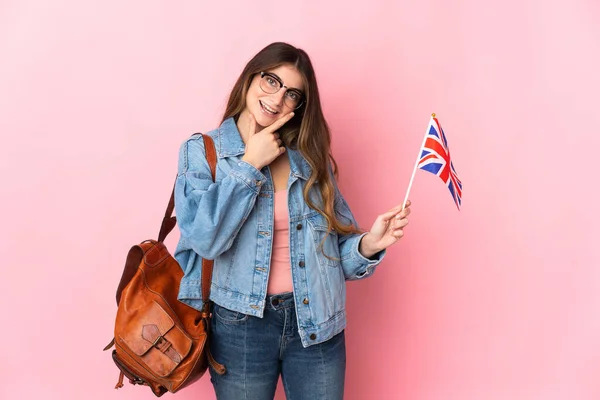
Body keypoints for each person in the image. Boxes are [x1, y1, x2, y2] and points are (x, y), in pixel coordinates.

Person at [173, 42, 411, 400]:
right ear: (250, 78)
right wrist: (248, 165)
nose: (278, 98)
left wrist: (369, 244)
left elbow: (330, 258)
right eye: (271, 81)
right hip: (240, 328)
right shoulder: (203, 151)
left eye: (292, 94)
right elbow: (205, 240)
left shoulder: (309, 159)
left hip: (316, 322)